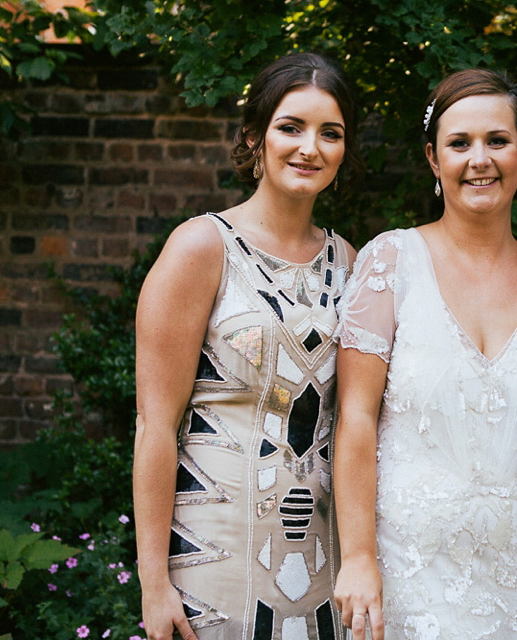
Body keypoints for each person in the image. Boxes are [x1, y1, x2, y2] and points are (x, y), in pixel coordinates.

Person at [331, 69, 517, 640]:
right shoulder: (391, 262)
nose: (480, 159)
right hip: (402, 573)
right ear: (433, 160)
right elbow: (356, 419)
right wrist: (359, 555)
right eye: (459, 144)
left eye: (497, 141)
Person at [133, 52, 364, 640]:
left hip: (318, 552)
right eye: (291, 127)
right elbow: (155, 426)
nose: (310, 147)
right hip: (214, 549)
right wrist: (153, 583)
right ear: (255, 137)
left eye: (330, 133)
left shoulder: (351, 263)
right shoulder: (201, 248)